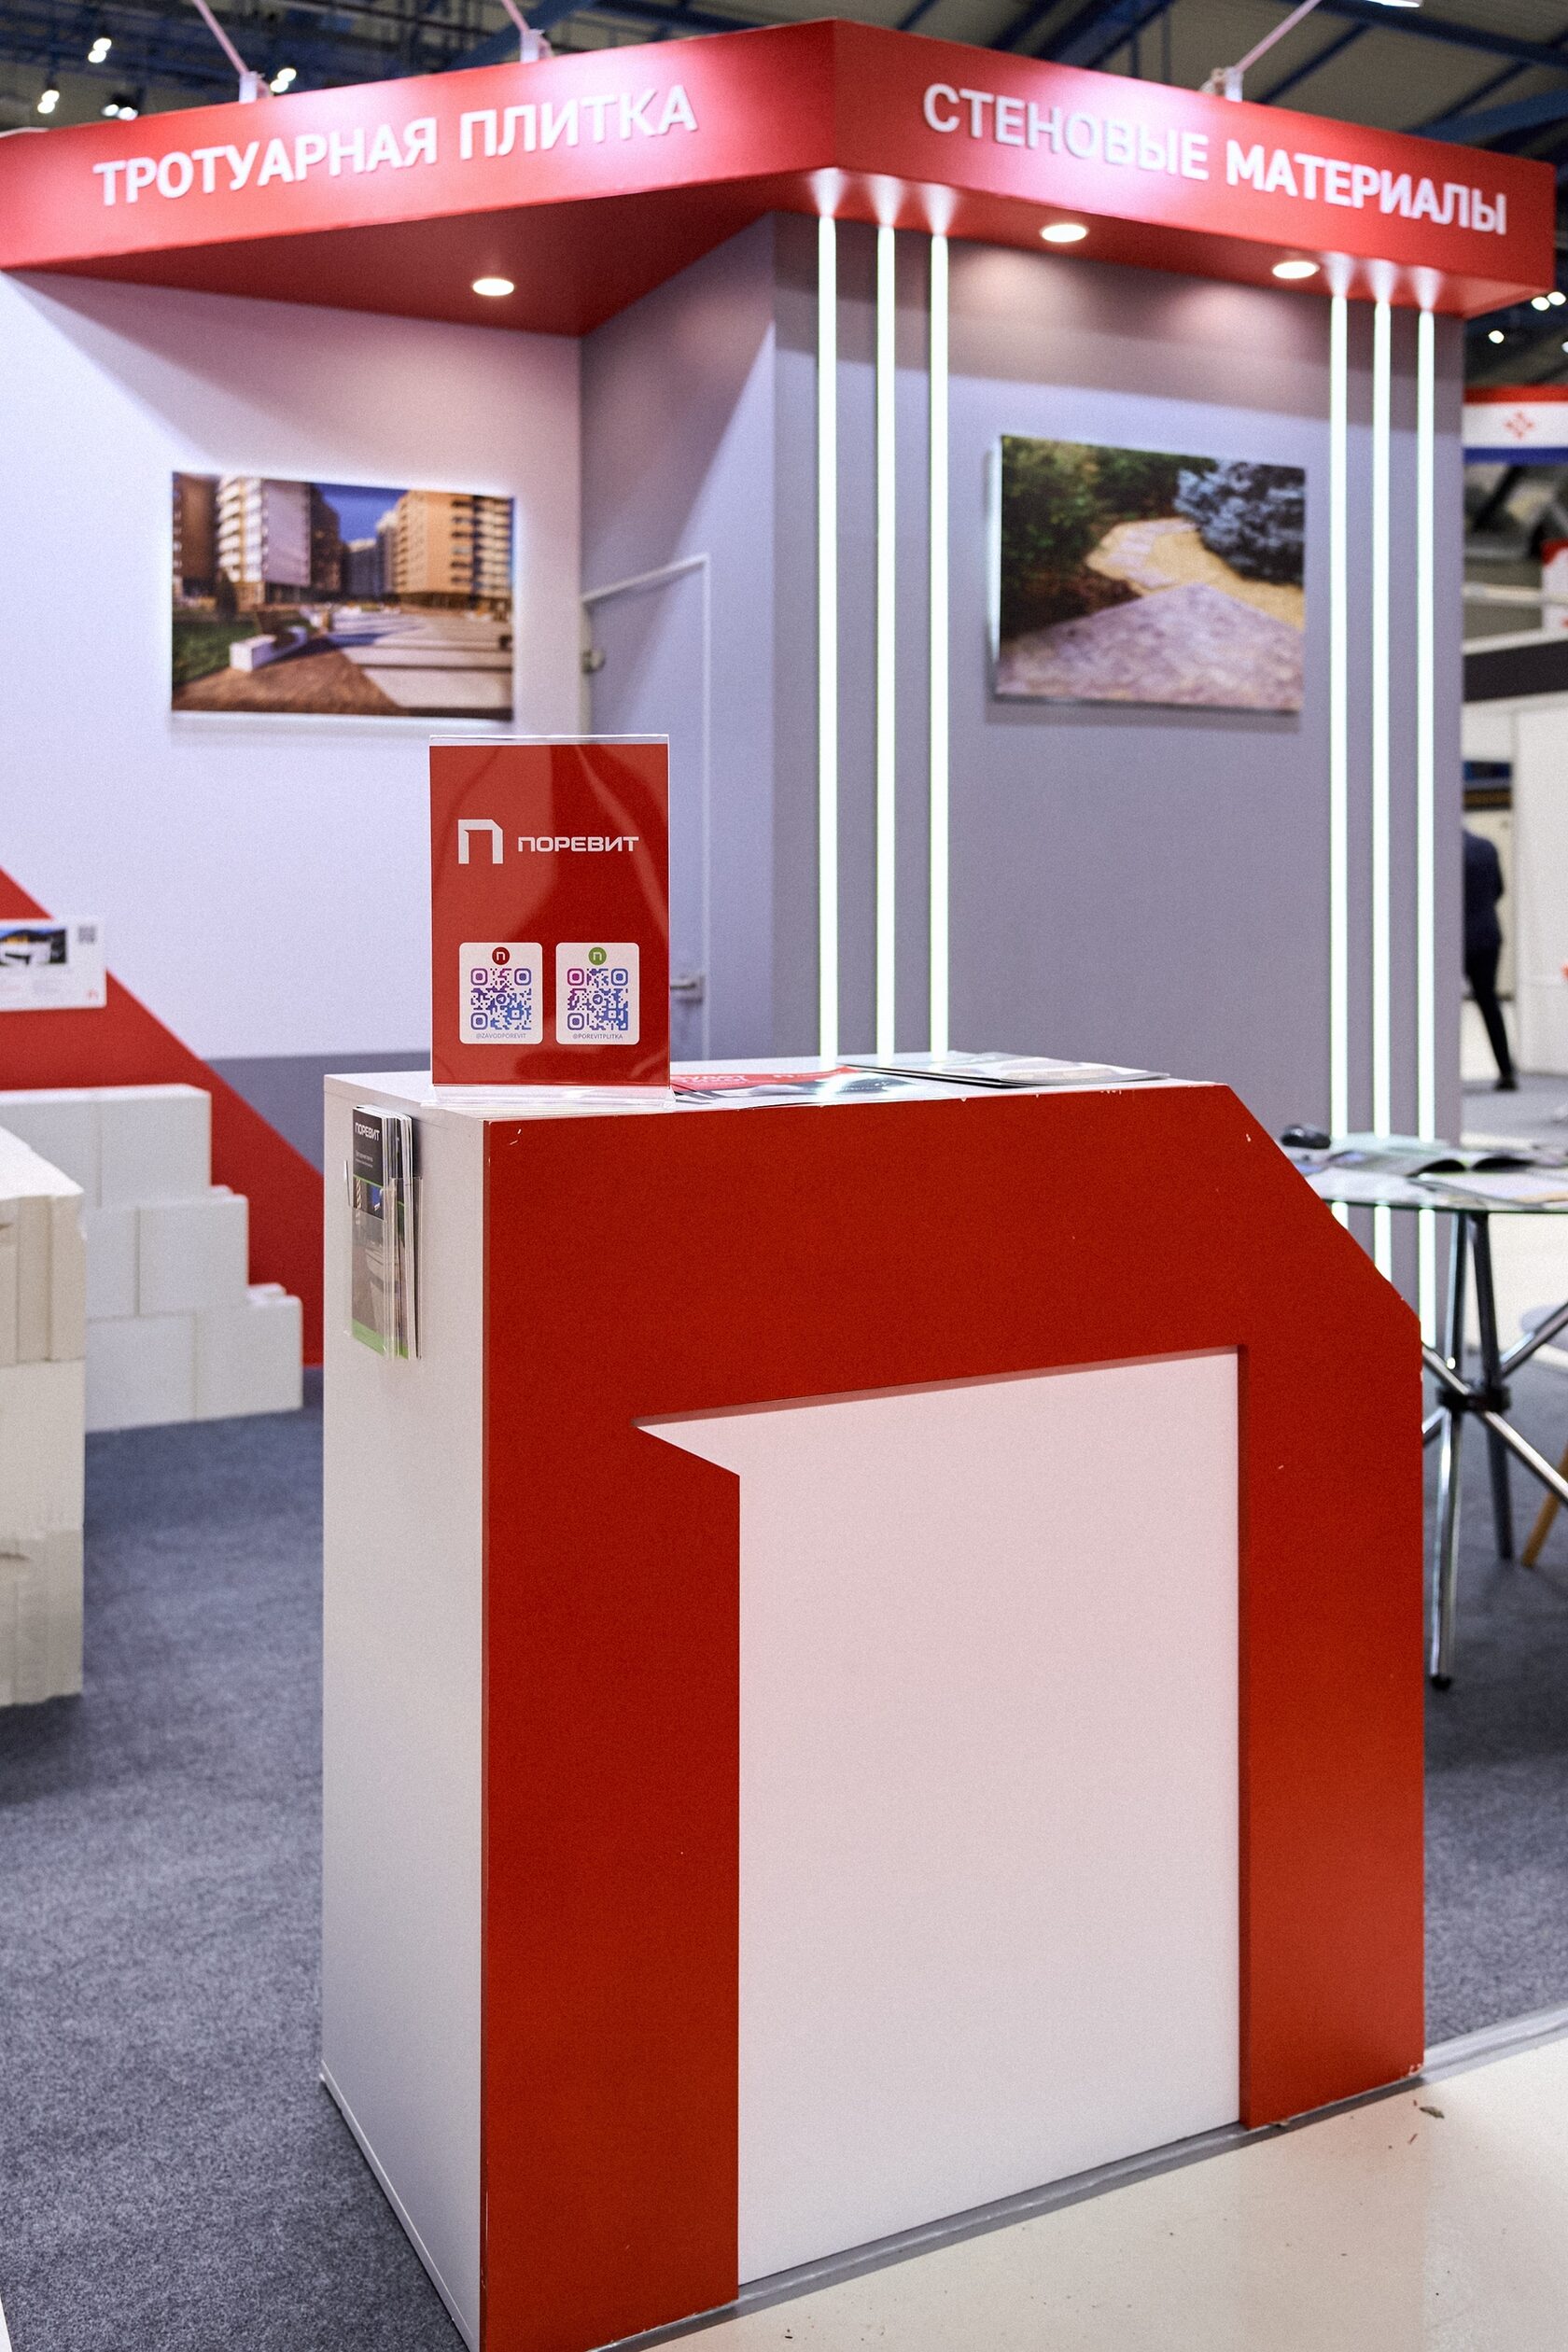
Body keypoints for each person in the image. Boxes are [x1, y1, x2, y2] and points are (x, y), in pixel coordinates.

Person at [1464, 826, 1516, 1091]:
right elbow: (1498, 889)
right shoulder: (1486, 847)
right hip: (1487, 935)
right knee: (1489, 1003)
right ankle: (1506, 1070)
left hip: (1455, 938)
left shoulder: (1443, 852)